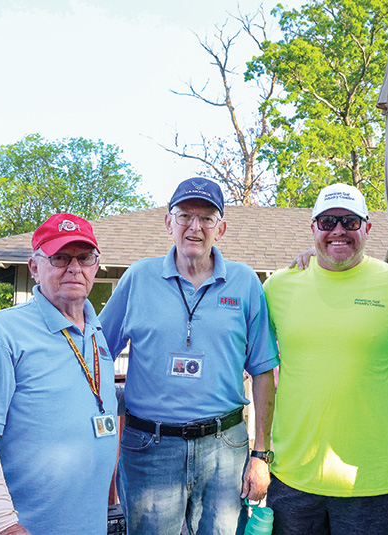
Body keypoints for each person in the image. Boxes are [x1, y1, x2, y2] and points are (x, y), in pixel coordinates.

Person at [99, 177, 279, 535]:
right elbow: (98, 353)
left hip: (224, 448)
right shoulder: (139, 278)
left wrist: (260, 455)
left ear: (221, 228)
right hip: (150, 447)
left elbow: (263, 371)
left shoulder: (245, 284)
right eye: (184, 216)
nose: (194, 227)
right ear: (169, 223)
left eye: (207, 218)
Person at [262, 183, 388, 535]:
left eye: (349, 222)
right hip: (291, 479)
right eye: (327, 221)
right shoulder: (279, 287)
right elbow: (249, 360)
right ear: (313, 228)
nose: (338, 231)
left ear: (367, 228)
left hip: (371, 485)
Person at [0, 213, 118, 535]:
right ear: (34, 267)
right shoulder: (2, 331)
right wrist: (2, 525)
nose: (74, 268)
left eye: (84, 258)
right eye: (59, 257)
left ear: (96, 266)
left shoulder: (97, 333)